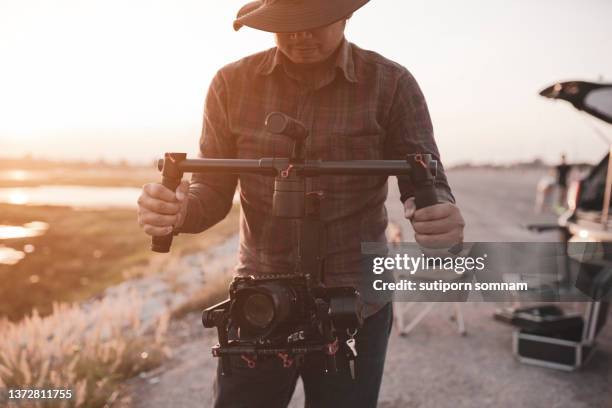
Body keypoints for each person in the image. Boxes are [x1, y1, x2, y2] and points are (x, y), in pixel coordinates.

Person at [137, 1, 465, 406]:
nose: (300, 35)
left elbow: (426, 179)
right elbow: (212, 193)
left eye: (315, 22)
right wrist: (179, 211)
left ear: (346, 13)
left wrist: (439, 218)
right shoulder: (231, 83)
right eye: (287, 24)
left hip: (356, 303)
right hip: (260, 301)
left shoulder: (391, 83)